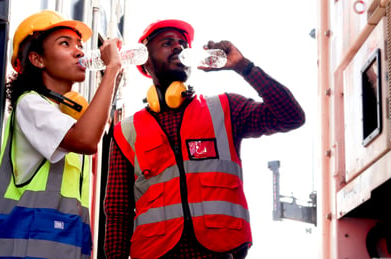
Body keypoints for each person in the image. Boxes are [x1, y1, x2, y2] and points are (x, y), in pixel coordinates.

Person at [104, 19, 305, 259]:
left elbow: (291, 117)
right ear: (146, 61)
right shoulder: (126, 131)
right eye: (167, 43)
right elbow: (118, 211)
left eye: (182, 43)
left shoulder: (226, 109)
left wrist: (243, 67)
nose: (178, 47)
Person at [0, 10, 123, 258]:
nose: (80, 52)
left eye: (80, 45)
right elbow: (86, 140)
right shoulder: (30, 105)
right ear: (38, 60)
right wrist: (111, 70)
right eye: (65, 43)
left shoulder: (67, 119)